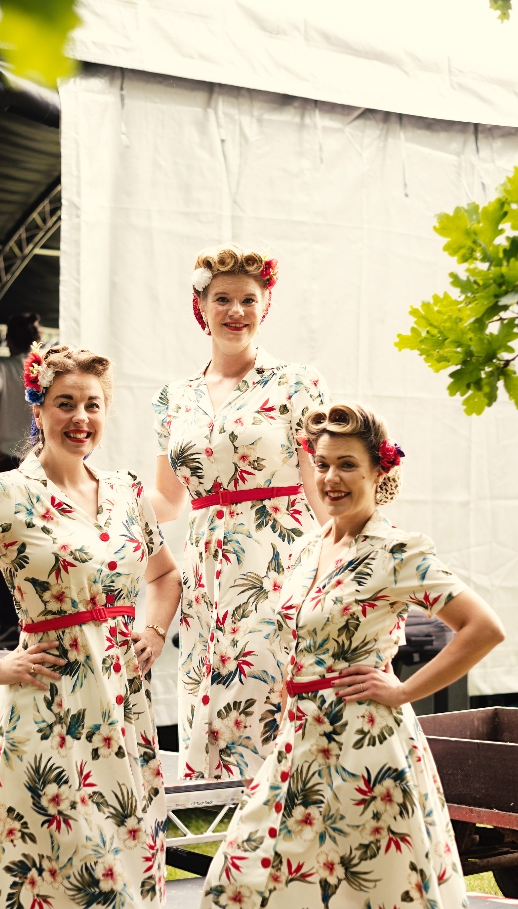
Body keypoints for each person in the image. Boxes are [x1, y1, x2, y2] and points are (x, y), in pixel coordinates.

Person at [0, 344, 181, 909]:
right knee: (50, 868)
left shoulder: (128, 493)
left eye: (93, 405)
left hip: (123, 713)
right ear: (37, 409)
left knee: (124, 861)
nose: (81, 418)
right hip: (47, 710)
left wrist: (152, 632)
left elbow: (166, 575)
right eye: (65, 403)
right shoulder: (3, 494)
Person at [200, 402, 505, 909]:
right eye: (322, 464)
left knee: (367, 889)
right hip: (298, 742)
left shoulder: (397, 551)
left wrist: (405, 689)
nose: (331, 477)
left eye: (347, 464)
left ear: (379, 470)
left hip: (365, 747)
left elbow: (484, 628)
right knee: (240, 880)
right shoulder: (308, 547)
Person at [149, 244, 330, 780]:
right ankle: (234, 852)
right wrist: (95, 503)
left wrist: (343, 565)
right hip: (204, 581)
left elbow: (320, 484)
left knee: (268, 702)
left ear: (265, 306)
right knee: (210, 713)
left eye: (248, 300)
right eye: (222, 298)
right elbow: (167, 500)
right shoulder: (172, 398)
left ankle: (281, 839)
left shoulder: (296, 383)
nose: (235, 311)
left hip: (278, 565)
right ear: (200, 306)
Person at [0, 312, 42, 471]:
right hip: (39, 456)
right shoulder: (44, 369)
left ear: (9, 340)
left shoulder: (0, 367)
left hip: (6, 454)